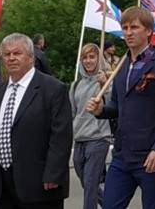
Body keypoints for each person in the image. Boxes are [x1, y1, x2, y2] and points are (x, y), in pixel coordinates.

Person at [86, 7, 155, 209]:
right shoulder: (122, 64)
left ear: (148, 31)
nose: (128, 32)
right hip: (123, 154)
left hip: (150, 155)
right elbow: (118, 107)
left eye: (134, 27)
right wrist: (101, 110)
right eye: (125, 27)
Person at [0, 33, 73, 209]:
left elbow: (61, 137)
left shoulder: (53, 89)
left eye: (17, 53)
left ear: (31, 57)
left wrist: (54, 174)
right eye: (7, 54)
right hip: (1, 185)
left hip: (38, 184)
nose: (11, 58)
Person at [70, 43, 112, 209]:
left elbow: (112, 106)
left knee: (90, 183)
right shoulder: (76, 85)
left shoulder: (107, 81)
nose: (88, 61)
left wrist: (104, 85)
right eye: (85, 57)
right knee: (86, 183)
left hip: (98, 138)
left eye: (92, 57)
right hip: (79, 138)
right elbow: (72, 113)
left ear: (99, 59)